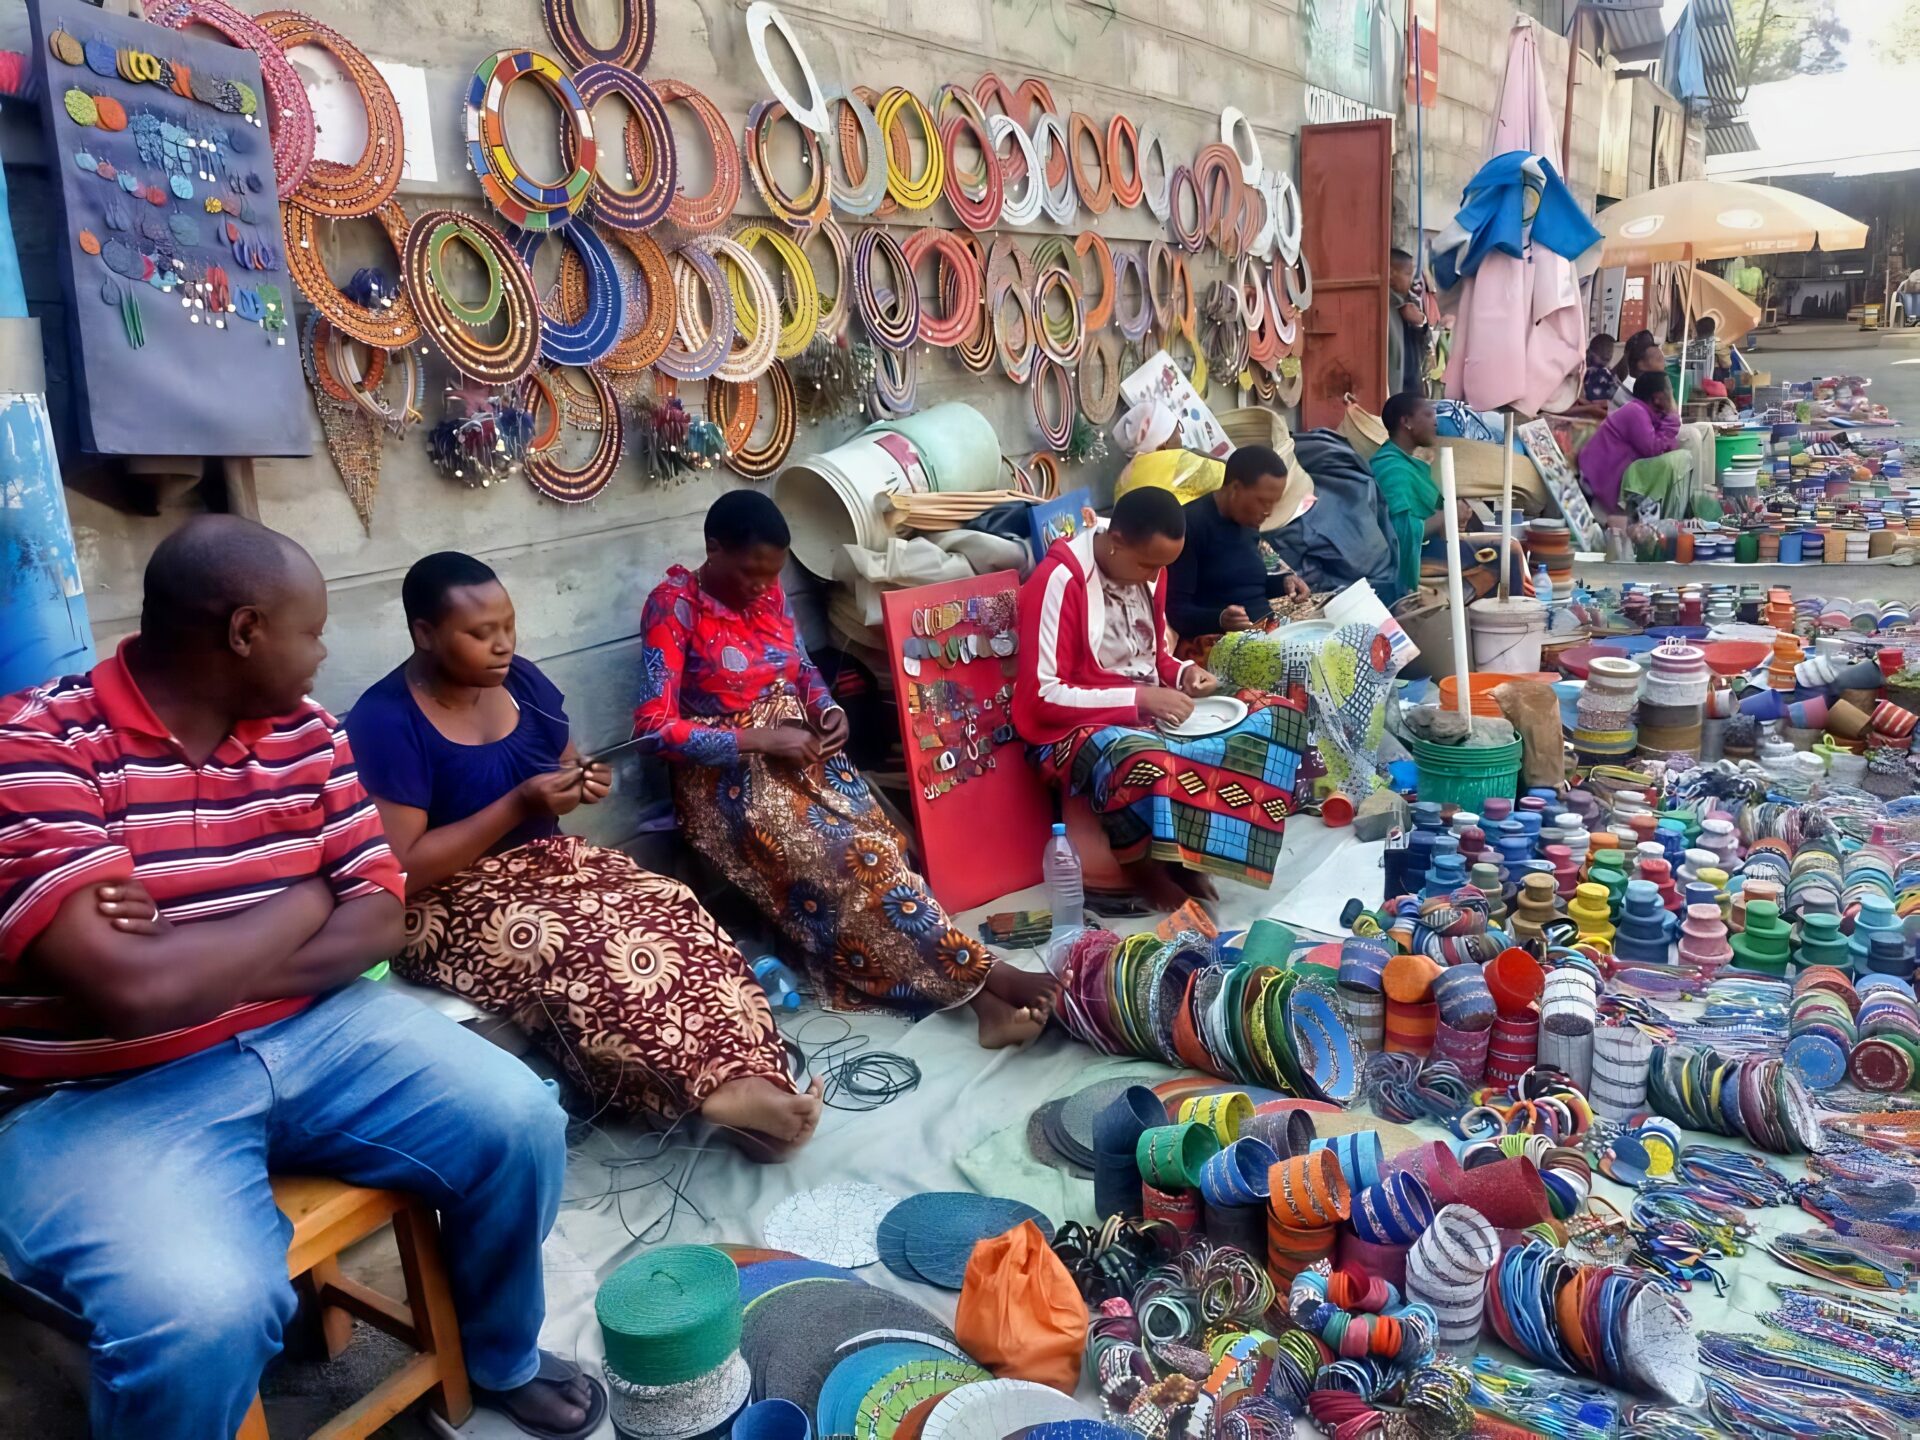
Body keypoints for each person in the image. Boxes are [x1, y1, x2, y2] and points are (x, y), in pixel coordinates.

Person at [0, 517, 602, 1440]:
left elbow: (381, 911)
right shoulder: (39, 745)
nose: (326, 652)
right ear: (244, 632)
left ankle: (499, 1356)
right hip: (99, 1092)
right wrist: (307, 894)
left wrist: (189, 941)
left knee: (521, 1120)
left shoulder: (310, 734)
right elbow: (129, 994)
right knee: (199, 1314)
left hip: (321, 1028)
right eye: (313, 630)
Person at [345, 552, 820, 1156]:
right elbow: (401, 869)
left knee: (671, 905)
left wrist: (579, 780)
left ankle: (754, 1081)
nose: (502, 645)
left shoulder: (519, 682)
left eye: (508, 627)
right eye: (479, 633)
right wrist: (518, 804)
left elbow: (566, 763)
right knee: (594, 949)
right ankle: (704, 1093)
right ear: (425, 634)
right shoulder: (387, 721)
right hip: (449, 901)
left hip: (551, 862)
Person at [636, 491, 1057, 1049]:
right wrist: (758, 738)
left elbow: (800, 666)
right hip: (728, 783)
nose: (763, 587)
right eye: (749, 574)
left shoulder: (768, 593)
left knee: (883, 845)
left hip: (801, 752)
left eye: (772, 575)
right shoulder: (673, 605)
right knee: (853, 861)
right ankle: (987, 988)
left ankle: (976, 990)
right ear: (712, 550)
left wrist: (829, 709)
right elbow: (652, 728)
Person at [1014, 486, 1305, 913]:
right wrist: (1142, 699)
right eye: (1149, 564)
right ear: (1116, 543)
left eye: (1162, 566)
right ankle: (1142, 869)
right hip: (1071, 724)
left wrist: (1183, 673)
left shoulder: (1152, 569)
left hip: (1142, 706)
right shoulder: (1058, 581)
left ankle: (1190, 851)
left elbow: (1153, 655)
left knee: (1274, 716)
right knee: (1143, 757)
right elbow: (1044, 694)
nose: (1155, 576)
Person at [1164, 444, 1311, 648]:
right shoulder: (1190, 526)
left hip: (1265, 633)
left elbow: (1249, 581)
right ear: (1234, 489)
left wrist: (1285, 582)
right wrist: (1220, 619)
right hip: (1219, 645)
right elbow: (1175, 610)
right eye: (1262, 501)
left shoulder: (1249, 522)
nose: (1268, 511)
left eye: (1274, 502)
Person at [1578, 371, 1682, 513]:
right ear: (1657, 398)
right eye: (1669, 392)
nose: (1672, 396)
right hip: (1598, 480)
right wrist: (1673, 415)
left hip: (1610, 476)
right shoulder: (1635, 411)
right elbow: (1653, 449)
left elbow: (1668, 445)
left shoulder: (1649, 414)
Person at [1112, 398, 1225, 503]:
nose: (1180, 434)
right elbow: (1231, 476)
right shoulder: (1178, 463)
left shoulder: (1121, 485)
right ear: (1164, 444)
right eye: (1177, 428)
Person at [1388, 248, 1429, 395]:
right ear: (1391, 274)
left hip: (1412, 385)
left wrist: (1420, 322)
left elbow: (1424, 346)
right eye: (1407, 274)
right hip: (1394, 389)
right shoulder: (1386, 305)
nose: (1411, 280)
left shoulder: (1411, 301)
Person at [1573, 333, 1619, 416]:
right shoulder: (1600, 374)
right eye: (1611, 350)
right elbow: (1597, 403)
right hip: (1600, 415)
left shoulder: (1586, 369)